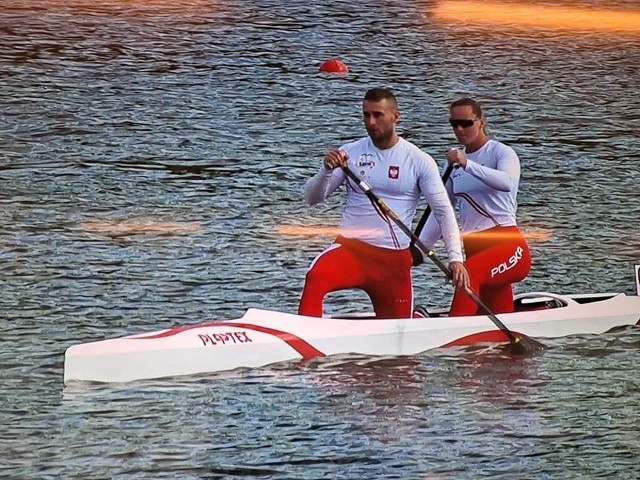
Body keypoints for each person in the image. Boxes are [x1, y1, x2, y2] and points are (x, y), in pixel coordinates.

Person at [298, 87, 469, 319]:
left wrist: (456, 259)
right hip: (351, 251)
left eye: (378, 115)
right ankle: (307, 342)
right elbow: (312, 199)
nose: (371, 122)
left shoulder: (418, 161)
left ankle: (418, 319)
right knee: (316, 277)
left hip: (393, 264)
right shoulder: (350, 153)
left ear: (395, 116)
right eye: (366, 115)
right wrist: (326, 170)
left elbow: (443, 212)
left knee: (401, 340)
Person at [419, 97, 532, 316]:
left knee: (468, 275)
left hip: (508, 247)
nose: (460, 129)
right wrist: (417, 250)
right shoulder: (452, 163)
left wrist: (467, 164)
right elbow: (442, 211)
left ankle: (451, 339)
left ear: (481, 122)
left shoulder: (501, 153)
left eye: (466, 123)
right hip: (474, 247)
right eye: (454, 124)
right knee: (496, 319)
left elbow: (506, 182)